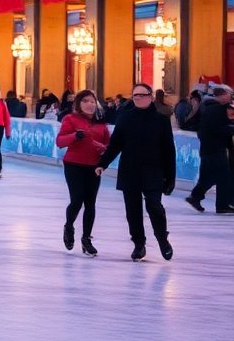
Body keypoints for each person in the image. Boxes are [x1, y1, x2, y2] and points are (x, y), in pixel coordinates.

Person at [96, 83, 175, 261]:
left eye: (141, 95)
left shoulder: (161, 120)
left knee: (154, 206)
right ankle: (139, 244)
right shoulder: (125, 117)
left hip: (154, 171)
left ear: (150, 97)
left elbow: (169, 150)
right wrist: (103, 163)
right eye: (135, 95)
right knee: (133, 210)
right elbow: (115, 144)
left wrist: (170, 177)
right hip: (130, 170)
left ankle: (162, 238)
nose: (138, 98)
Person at [56, 90, 109, 257]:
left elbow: (109, 146)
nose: (89, 104)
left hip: (93, 167)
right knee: (77, 200)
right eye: (85, 101)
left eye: (92, 101)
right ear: (79, 103)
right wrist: (74, 136)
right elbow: (60, 141)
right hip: (74, 165)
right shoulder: (70, 119)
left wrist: (101, 149)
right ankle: (69, 226)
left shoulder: (101, 123)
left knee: (90, 203)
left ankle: (86, 239)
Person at [185, 84, 234, 214]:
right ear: (222, 95)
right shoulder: (216, 109)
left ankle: (195, 197)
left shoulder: (209, 107)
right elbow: (217, 128)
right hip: (215, 148)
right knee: (223, 176)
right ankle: (222, 205)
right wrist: (231, 129)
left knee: (209, 176)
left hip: (208, 148)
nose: (230, 96)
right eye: (229, 94)